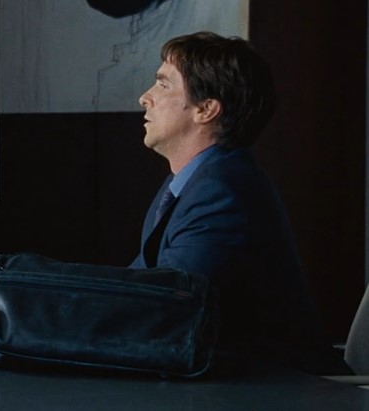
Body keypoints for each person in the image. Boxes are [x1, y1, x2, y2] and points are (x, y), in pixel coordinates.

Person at [130, 32, 346, 374]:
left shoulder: (220, 191)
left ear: (206, 109)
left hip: (281, 389)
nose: (145, 97)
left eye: (163, 85)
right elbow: (132, 287)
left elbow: (170, 306)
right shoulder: (187, 183)